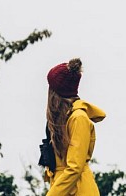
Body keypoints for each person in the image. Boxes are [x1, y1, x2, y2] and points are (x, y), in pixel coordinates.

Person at [44, 58, 106, 195]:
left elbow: (75, 168)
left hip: (79, 190)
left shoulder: (78, 118)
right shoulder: (64, 119)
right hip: (65, 190)